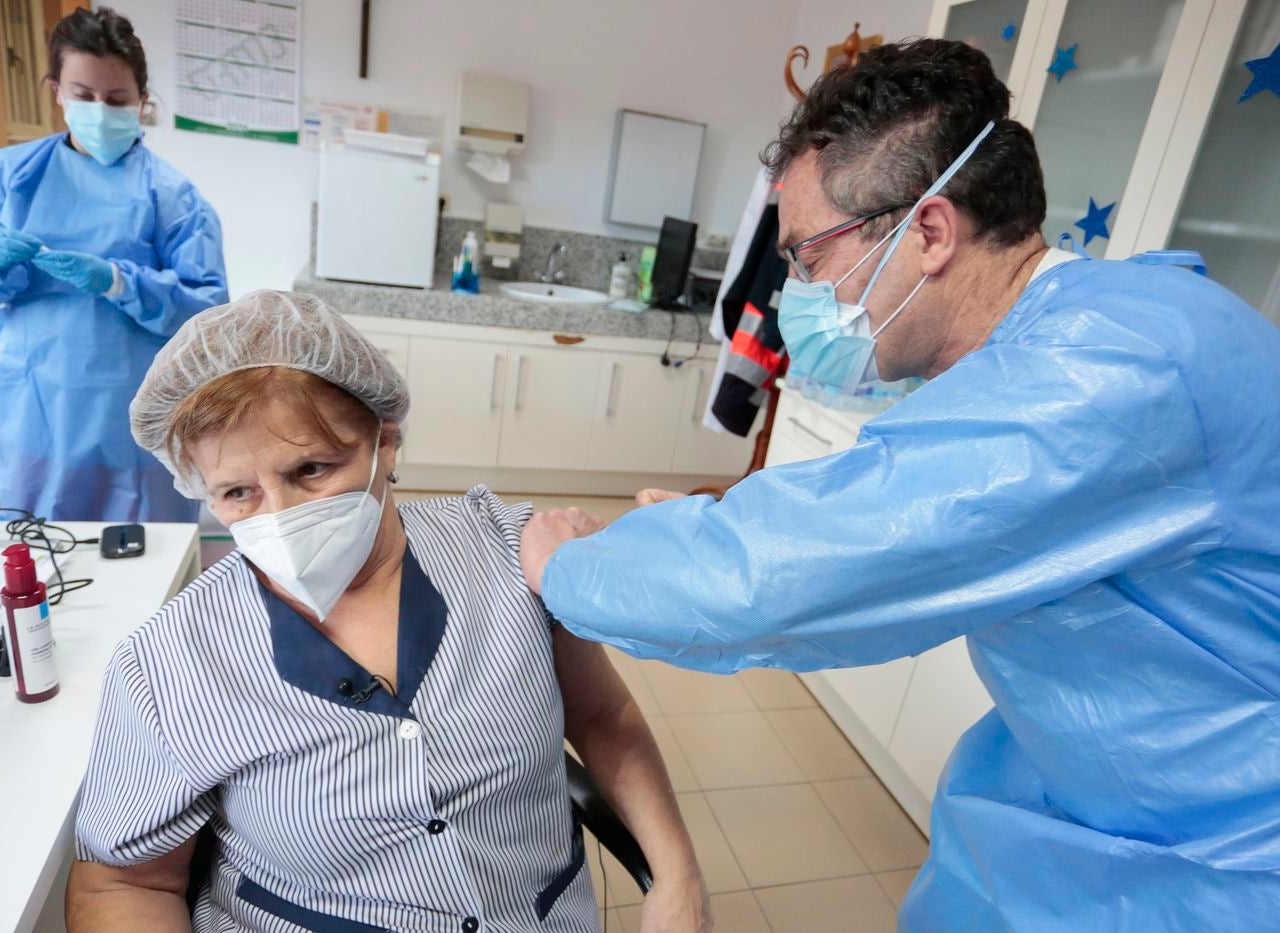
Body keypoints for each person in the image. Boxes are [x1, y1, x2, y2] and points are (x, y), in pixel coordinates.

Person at [520, 39, 1280, 931]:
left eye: (806, 259)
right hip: (1080, 791)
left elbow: (780, 579)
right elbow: (888, 492)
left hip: (1213, 857)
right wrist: (713, 513)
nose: (798, 290)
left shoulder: (1108, 372)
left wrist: (570, 562)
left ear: (927, 233)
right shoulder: (1087, 331)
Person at [66, 291, 711, 933]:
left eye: (313, 469)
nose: (281, 516)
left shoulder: (509, 553)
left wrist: (678, 873)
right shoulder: (168, 663)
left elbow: (603, 715)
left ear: (387, 441)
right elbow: (123, 882)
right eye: (238, 492)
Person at [0, 8, 226, 522]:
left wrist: (119, 280)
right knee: (41, 529)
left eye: (117, 99)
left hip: (137, 398)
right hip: (34, 392)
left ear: (142, 102)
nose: (99, 110)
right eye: (83, 96)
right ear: (56, 90)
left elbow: (206, 310)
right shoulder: (2, 179)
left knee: (147, 539)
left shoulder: (174, 198)